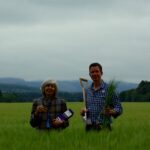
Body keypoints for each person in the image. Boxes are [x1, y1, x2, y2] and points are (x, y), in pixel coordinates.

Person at [80, 62, 123, 131]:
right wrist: (82, 114)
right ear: (89, 74)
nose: (94, 74)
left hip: (104, 126)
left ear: (101, 73)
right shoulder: (87, 90)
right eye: (92, 72)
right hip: (89, 126)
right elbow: (86, 112)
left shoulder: (109, 89)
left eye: (97, 71)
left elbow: (119, 108)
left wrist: (111, 111)